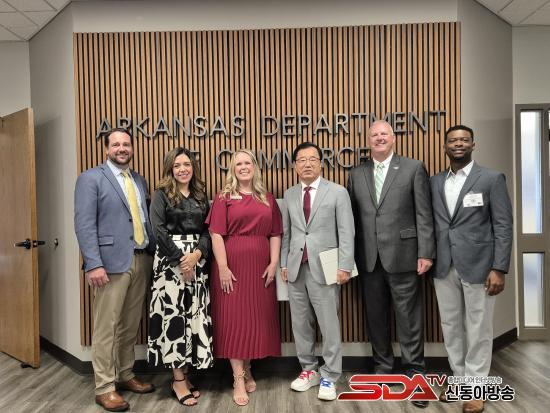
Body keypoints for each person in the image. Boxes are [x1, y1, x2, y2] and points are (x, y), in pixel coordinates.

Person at [347, 120, 435, 408]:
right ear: (368, 140)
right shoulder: (356, 173)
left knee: (409, 319)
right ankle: (383, 370)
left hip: (405, 256)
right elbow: (352, 220)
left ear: (393, 138)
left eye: (384, 133)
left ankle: (415, 374)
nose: (379, 138)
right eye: (374, 135)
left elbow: (424, 213)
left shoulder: (413, 168)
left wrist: (426, 252)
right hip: (368, 259)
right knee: (375, 319)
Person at [430, 125, 512, 413]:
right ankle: (459, 379)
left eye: (464, 140)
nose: (458, 144)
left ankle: (476, 388)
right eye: (453, 140)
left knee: (478, 328)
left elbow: (503, 225)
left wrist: (499, 267)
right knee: (451, 327)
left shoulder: (491, 178)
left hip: (480, 266)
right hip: (443, 265)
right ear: (445, 146)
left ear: (473, 145)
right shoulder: (435, 181)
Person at [74, 128, 156, 412]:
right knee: (105, 327)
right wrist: (93, 263)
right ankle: (104, 387)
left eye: (126, 144)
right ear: (106, 149)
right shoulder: (90, 179)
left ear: (132, 148)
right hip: (109, 264)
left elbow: (143, 219)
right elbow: (84, 224)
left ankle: (125, 374)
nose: (122, 148)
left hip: (141, 258)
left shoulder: (139, 180)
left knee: (130, 324)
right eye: (116, 144)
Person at [206, 149, 282, 406]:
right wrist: (223, 267)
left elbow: (275, 233)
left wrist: (273, 263)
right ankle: (238, 377)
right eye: (238, 163)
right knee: (234, 320)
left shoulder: (267, 198)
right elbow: (216, 234)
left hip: (260, 267)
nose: (243, 167)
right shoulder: (224, 197)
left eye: (247, 162)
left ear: (255, 166)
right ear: (233, 169)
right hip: (232, 266)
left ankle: (247, 368)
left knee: (253, 319)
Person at [280, 142, 355, 401]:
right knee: (300, 324)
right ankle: (308, 370)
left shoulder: (337, 192)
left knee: (328, 324)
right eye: (302, 160)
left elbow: (347, 231)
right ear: (295, 166)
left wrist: (345, 265)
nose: (307, 164)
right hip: (296, 269)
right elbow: (287, 233)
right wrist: (283, 264)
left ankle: (330, 375)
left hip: (326, 268)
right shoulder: (290, 194)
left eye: (312, 159)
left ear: (321, 163)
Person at [148, 147, 214, 407]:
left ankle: (185, 375)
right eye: (177, 165)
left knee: (192, 318)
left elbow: (208, 230)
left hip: (197, 262)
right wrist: (180, 260)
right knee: (174, 318)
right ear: (170, 169)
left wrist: (197, 254)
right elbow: (158, 231)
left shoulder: (200, 194)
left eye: (186, 164)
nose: (183, 169)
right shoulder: (161, 195)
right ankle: (177, 380)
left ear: (193, 167)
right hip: (170, 264)